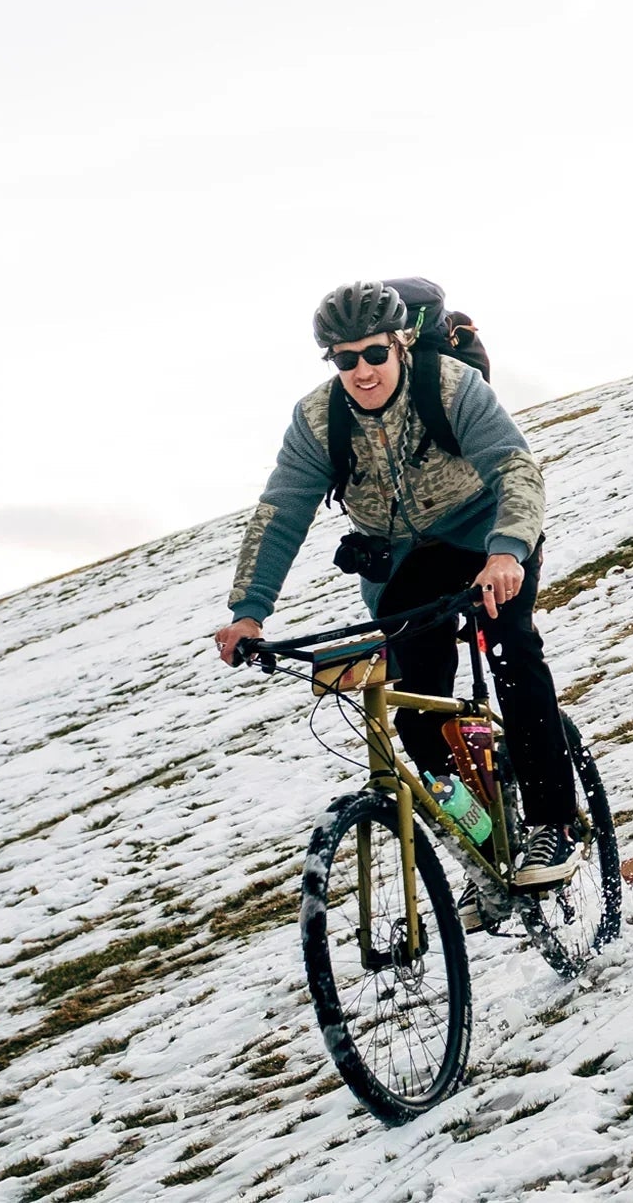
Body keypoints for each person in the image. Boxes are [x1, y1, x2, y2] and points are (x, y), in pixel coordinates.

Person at [214, 280, 579, 889]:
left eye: (374, 353)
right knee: (413, 709)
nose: (362, 370)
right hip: (405, 566)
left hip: (485, 538)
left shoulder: (452, 387)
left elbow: (515, 467)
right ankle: (485, 845)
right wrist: (249, 612)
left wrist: (508, 552)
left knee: (513, 652)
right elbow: (282, 510)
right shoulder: (316, 420)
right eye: (345, 358)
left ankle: (552, 826)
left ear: (401, 343)